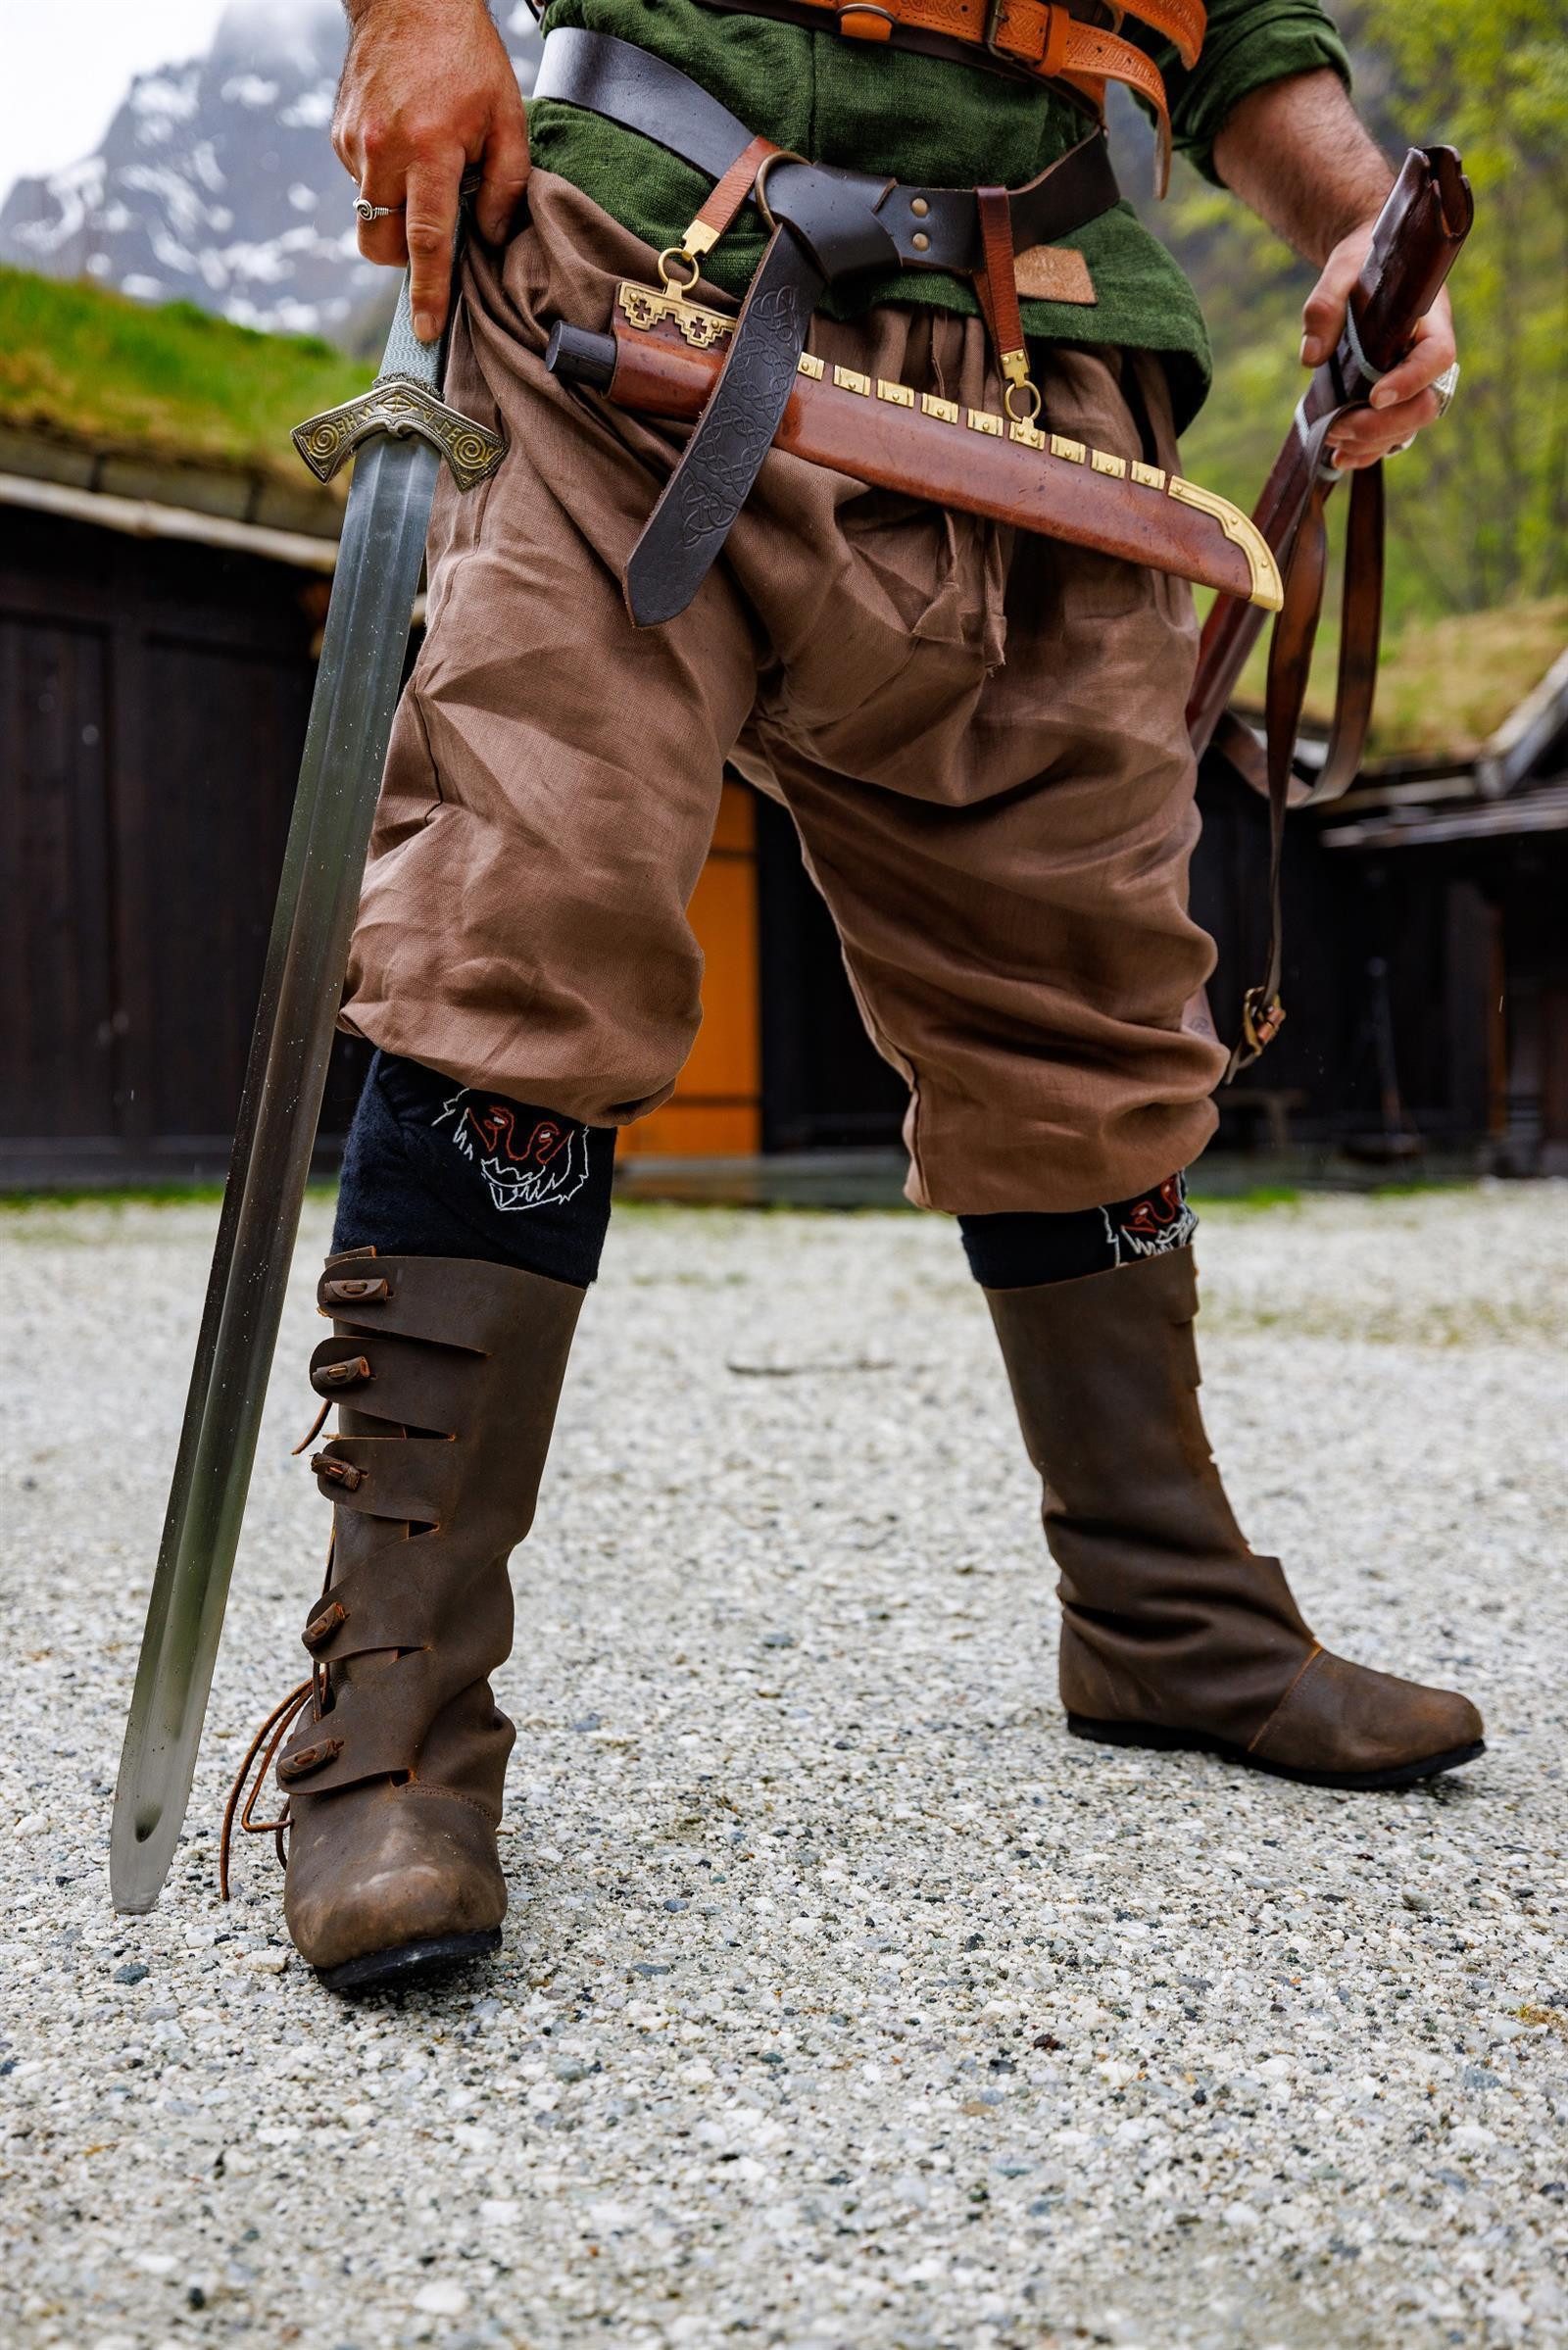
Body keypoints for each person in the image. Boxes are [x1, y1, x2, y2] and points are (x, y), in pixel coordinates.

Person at [231, 0, 1482, 1991]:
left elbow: (1240, 24)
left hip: (1052, 359)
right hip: (644, 265)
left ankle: (1159, 1612)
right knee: (528, 912)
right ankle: (395, 1717)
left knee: (1088, 1010)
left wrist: (1353, 220)